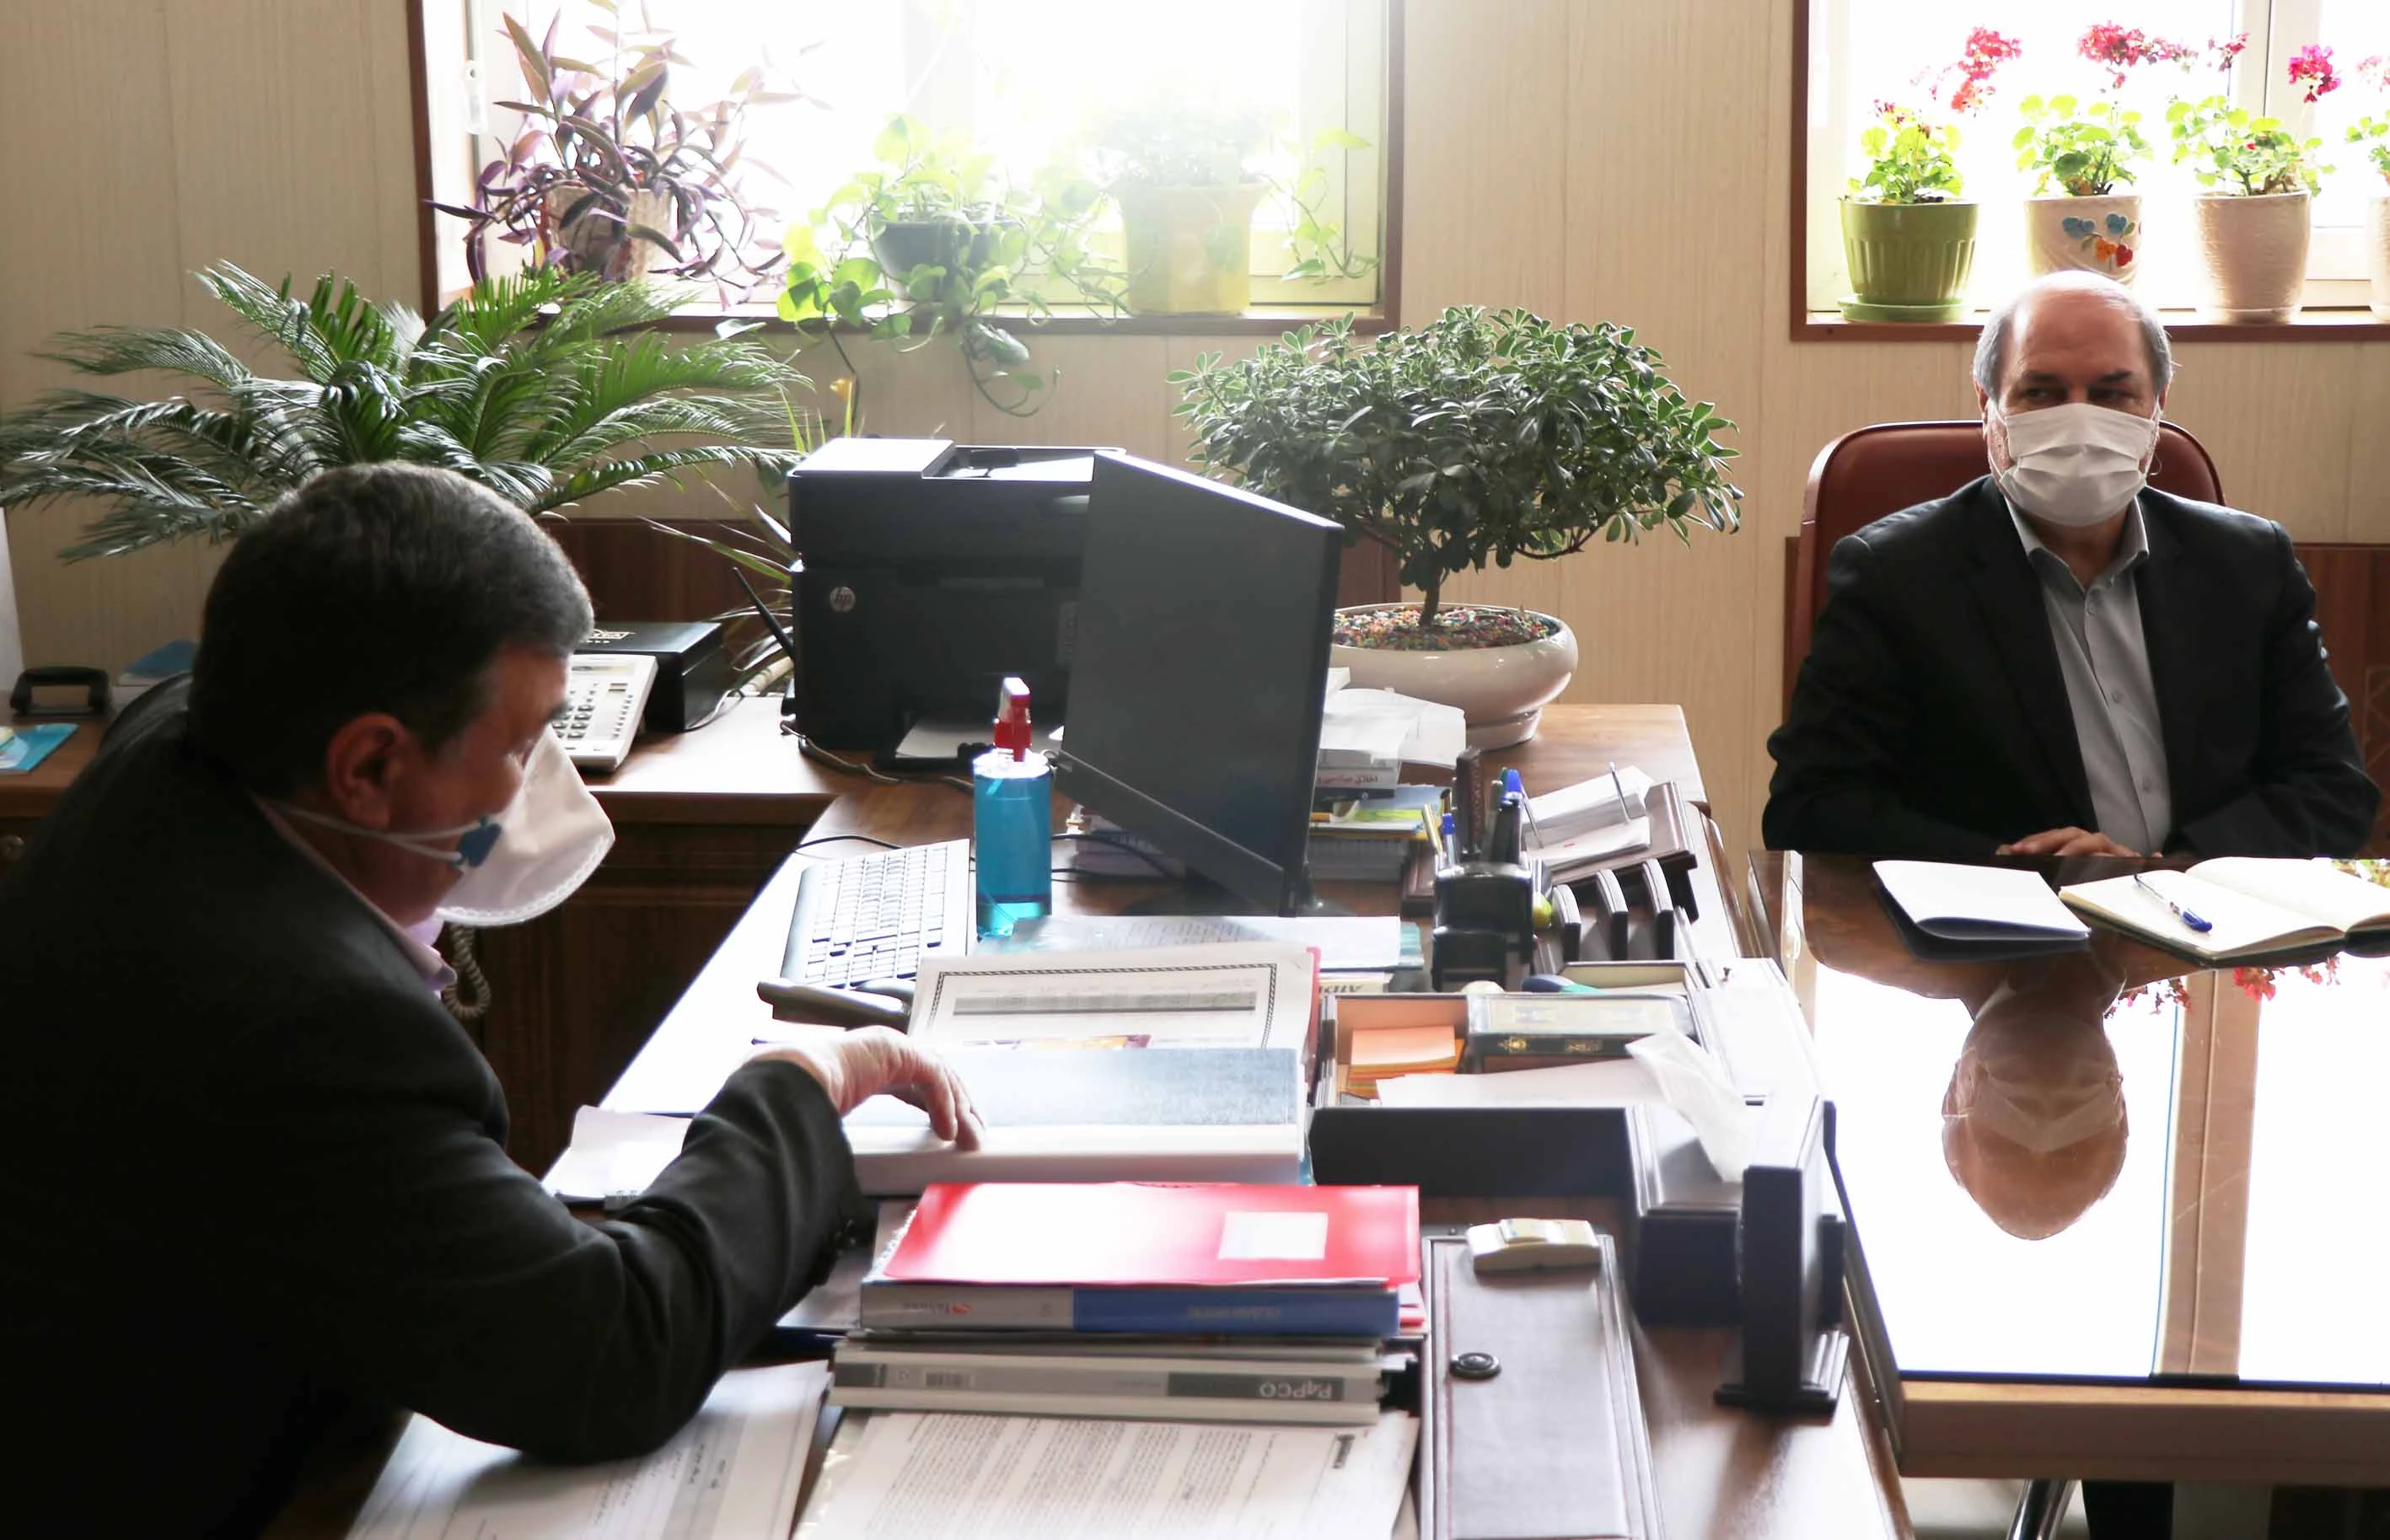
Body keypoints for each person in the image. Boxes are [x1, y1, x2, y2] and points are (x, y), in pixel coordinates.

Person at [0, 464, 981, 1538]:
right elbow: (611, 1357)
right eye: (519, 745)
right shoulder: (306, 1026)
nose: (535, 786)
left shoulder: (184, 736)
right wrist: (798, 1082)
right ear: (367, 767)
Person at [1765, 271, 2378, 861]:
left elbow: (2334, 790)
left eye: (2112, 394)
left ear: (2157, 407)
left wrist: (2169, 871)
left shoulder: (2248, 563)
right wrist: (2011, 865)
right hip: (1999, 924)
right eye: (2041, 393)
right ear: (1987, 405)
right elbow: (1812, 806)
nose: (2079, 420)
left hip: (2199, 914)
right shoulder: (1894, 575)